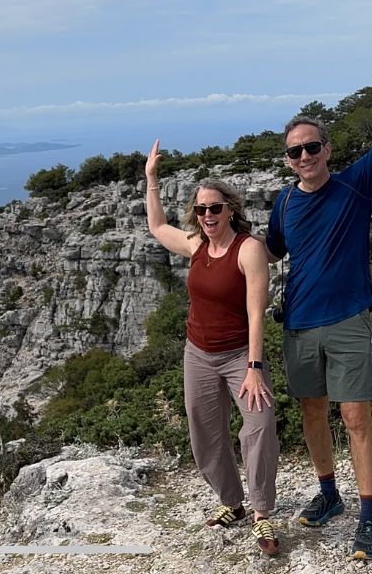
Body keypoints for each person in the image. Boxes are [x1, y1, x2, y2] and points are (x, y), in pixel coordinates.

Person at [263, 12, 372, 562]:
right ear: (288, 159)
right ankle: (329, 494)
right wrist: (207, 247)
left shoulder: (355, 185)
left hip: (346, 321)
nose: (305, 156)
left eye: (312, 147)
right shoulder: (284, 204)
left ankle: (368, 516)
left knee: (355, 417)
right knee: (312, 413)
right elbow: (265, 254)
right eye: (295, 151)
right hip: (297, 324)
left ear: (328, 149)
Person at [145, 141, 280, 556]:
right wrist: (151, 178)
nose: (207, 215)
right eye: (201, 209)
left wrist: (254, 366)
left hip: (240, 354)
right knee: (205, 434)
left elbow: (256, 312)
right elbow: (157, 227)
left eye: (215, 208)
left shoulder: (249, 249)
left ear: (230, 210)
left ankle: (261, 512)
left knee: (260, 424)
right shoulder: (196, 245)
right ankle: (232, 503)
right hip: (198, 354)